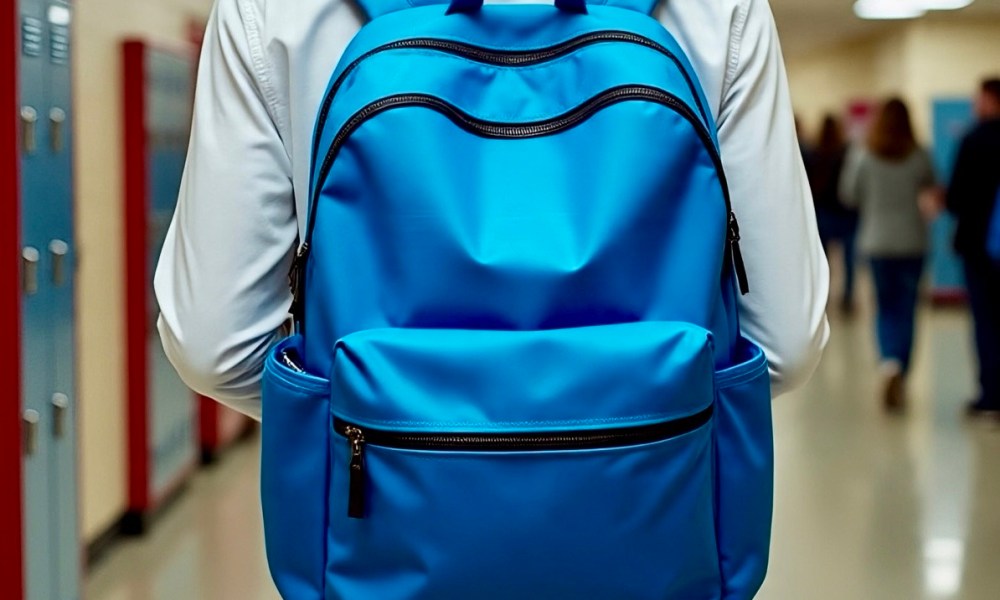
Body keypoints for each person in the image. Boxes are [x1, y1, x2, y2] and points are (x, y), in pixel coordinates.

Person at [154, 0, 830, 418]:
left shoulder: (268, 10)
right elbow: (785, 343)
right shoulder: (722, 10)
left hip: (385, 531)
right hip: (650, 519)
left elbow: (217, 346)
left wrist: (391, 422)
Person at [840, 98, 936, 411]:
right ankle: (902, 371)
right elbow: (932, 186)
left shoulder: (863, 154)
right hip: (912, 242)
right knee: (907, 309)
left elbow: (848, 195)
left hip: (876, 242)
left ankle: (888, 362)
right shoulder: (919, 154)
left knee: (884, 307)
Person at [946, 78, 1000, 418]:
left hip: (978, 248)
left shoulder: (973, 140)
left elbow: (956, 198)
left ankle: (991, 396)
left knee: (986, 321)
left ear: (990, 100)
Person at [808, 115, 857, 314]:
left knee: (824, 261)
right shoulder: (845, 153)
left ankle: (824, 297)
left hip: (823, 212)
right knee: (848, 260)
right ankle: (847, 298)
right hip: (845, 213)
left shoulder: (814, 153)